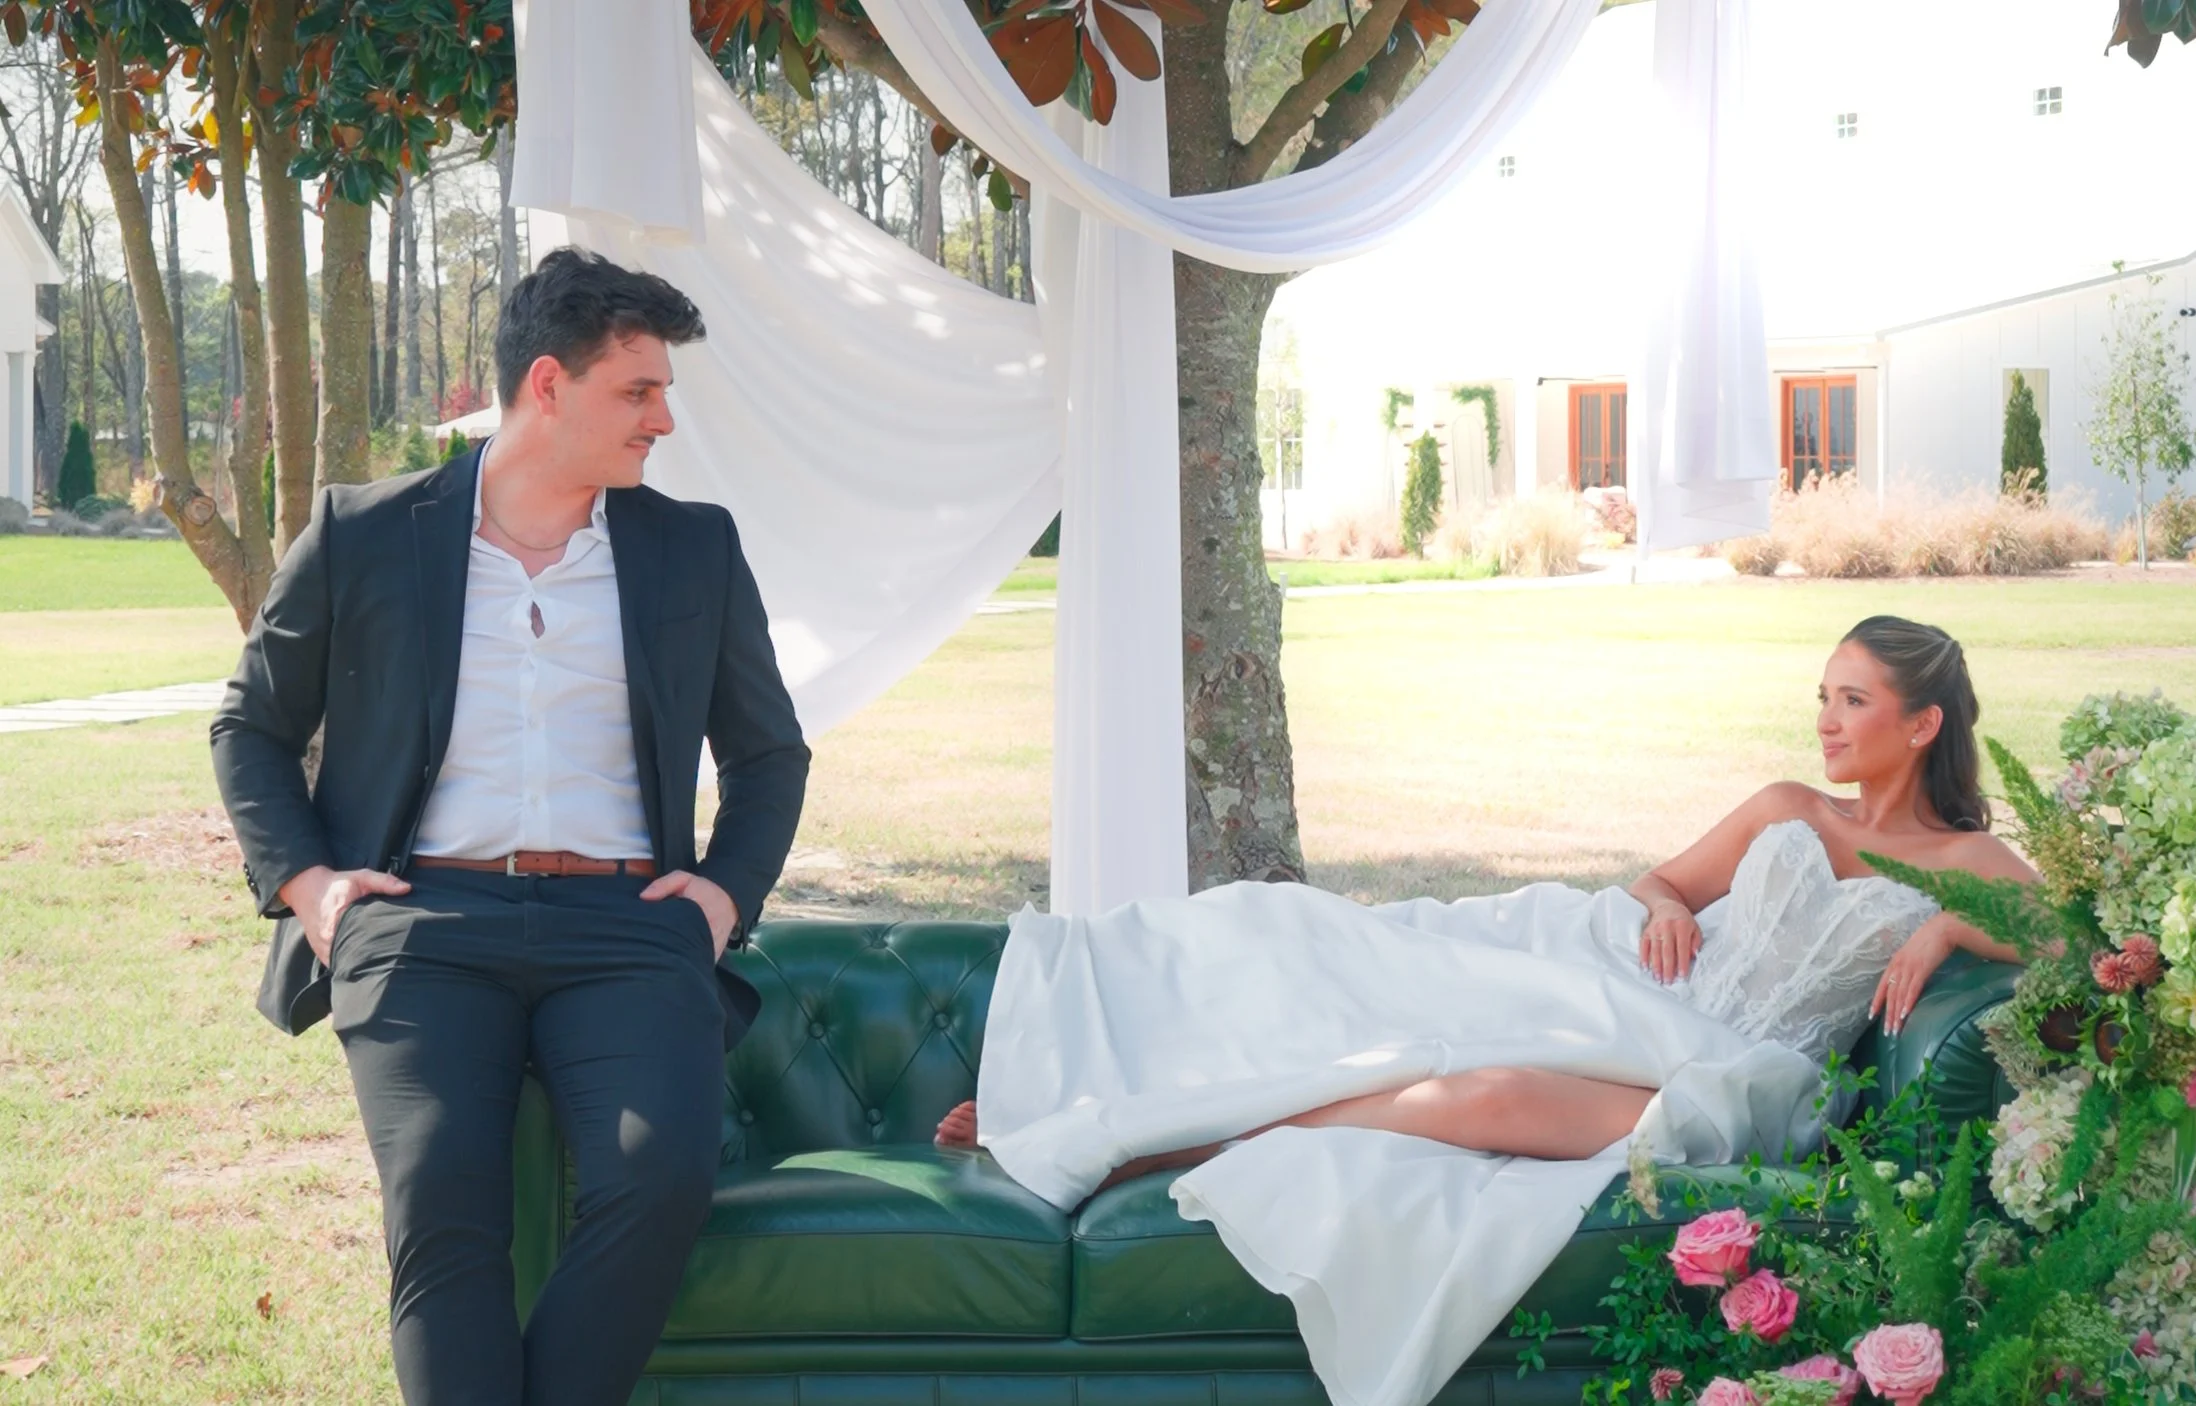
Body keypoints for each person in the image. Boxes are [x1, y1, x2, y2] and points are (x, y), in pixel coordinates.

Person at [209, 248, 810, 1406]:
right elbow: (250, 727)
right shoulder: (365, 534)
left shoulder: (693, 547)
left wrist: (725, 893)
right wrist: (311, 886)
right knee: (440, 1198)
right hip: (424, 914)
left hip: (629, 919)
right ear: (549, 384)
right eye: (639, 391)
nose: (664, 420)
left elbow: (769, 750)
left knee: (661, 1174)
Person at [936, 614, 2037, 1180]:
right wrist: (1660, 905)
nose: (1827, 721)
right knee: (1319, 940)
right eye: (1823, 696)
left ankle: (1147, 1141)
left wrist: (1942, 921)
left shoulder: (1969, 861)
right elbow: (1665, 879)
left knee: (1487, 1092)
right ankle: (1096, 1086)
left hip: (1743, 1072)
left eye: (1853, 700)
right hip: (1632, 979)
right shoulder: (1788, 802)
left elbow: (2085, 940)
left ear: (1923, 720)